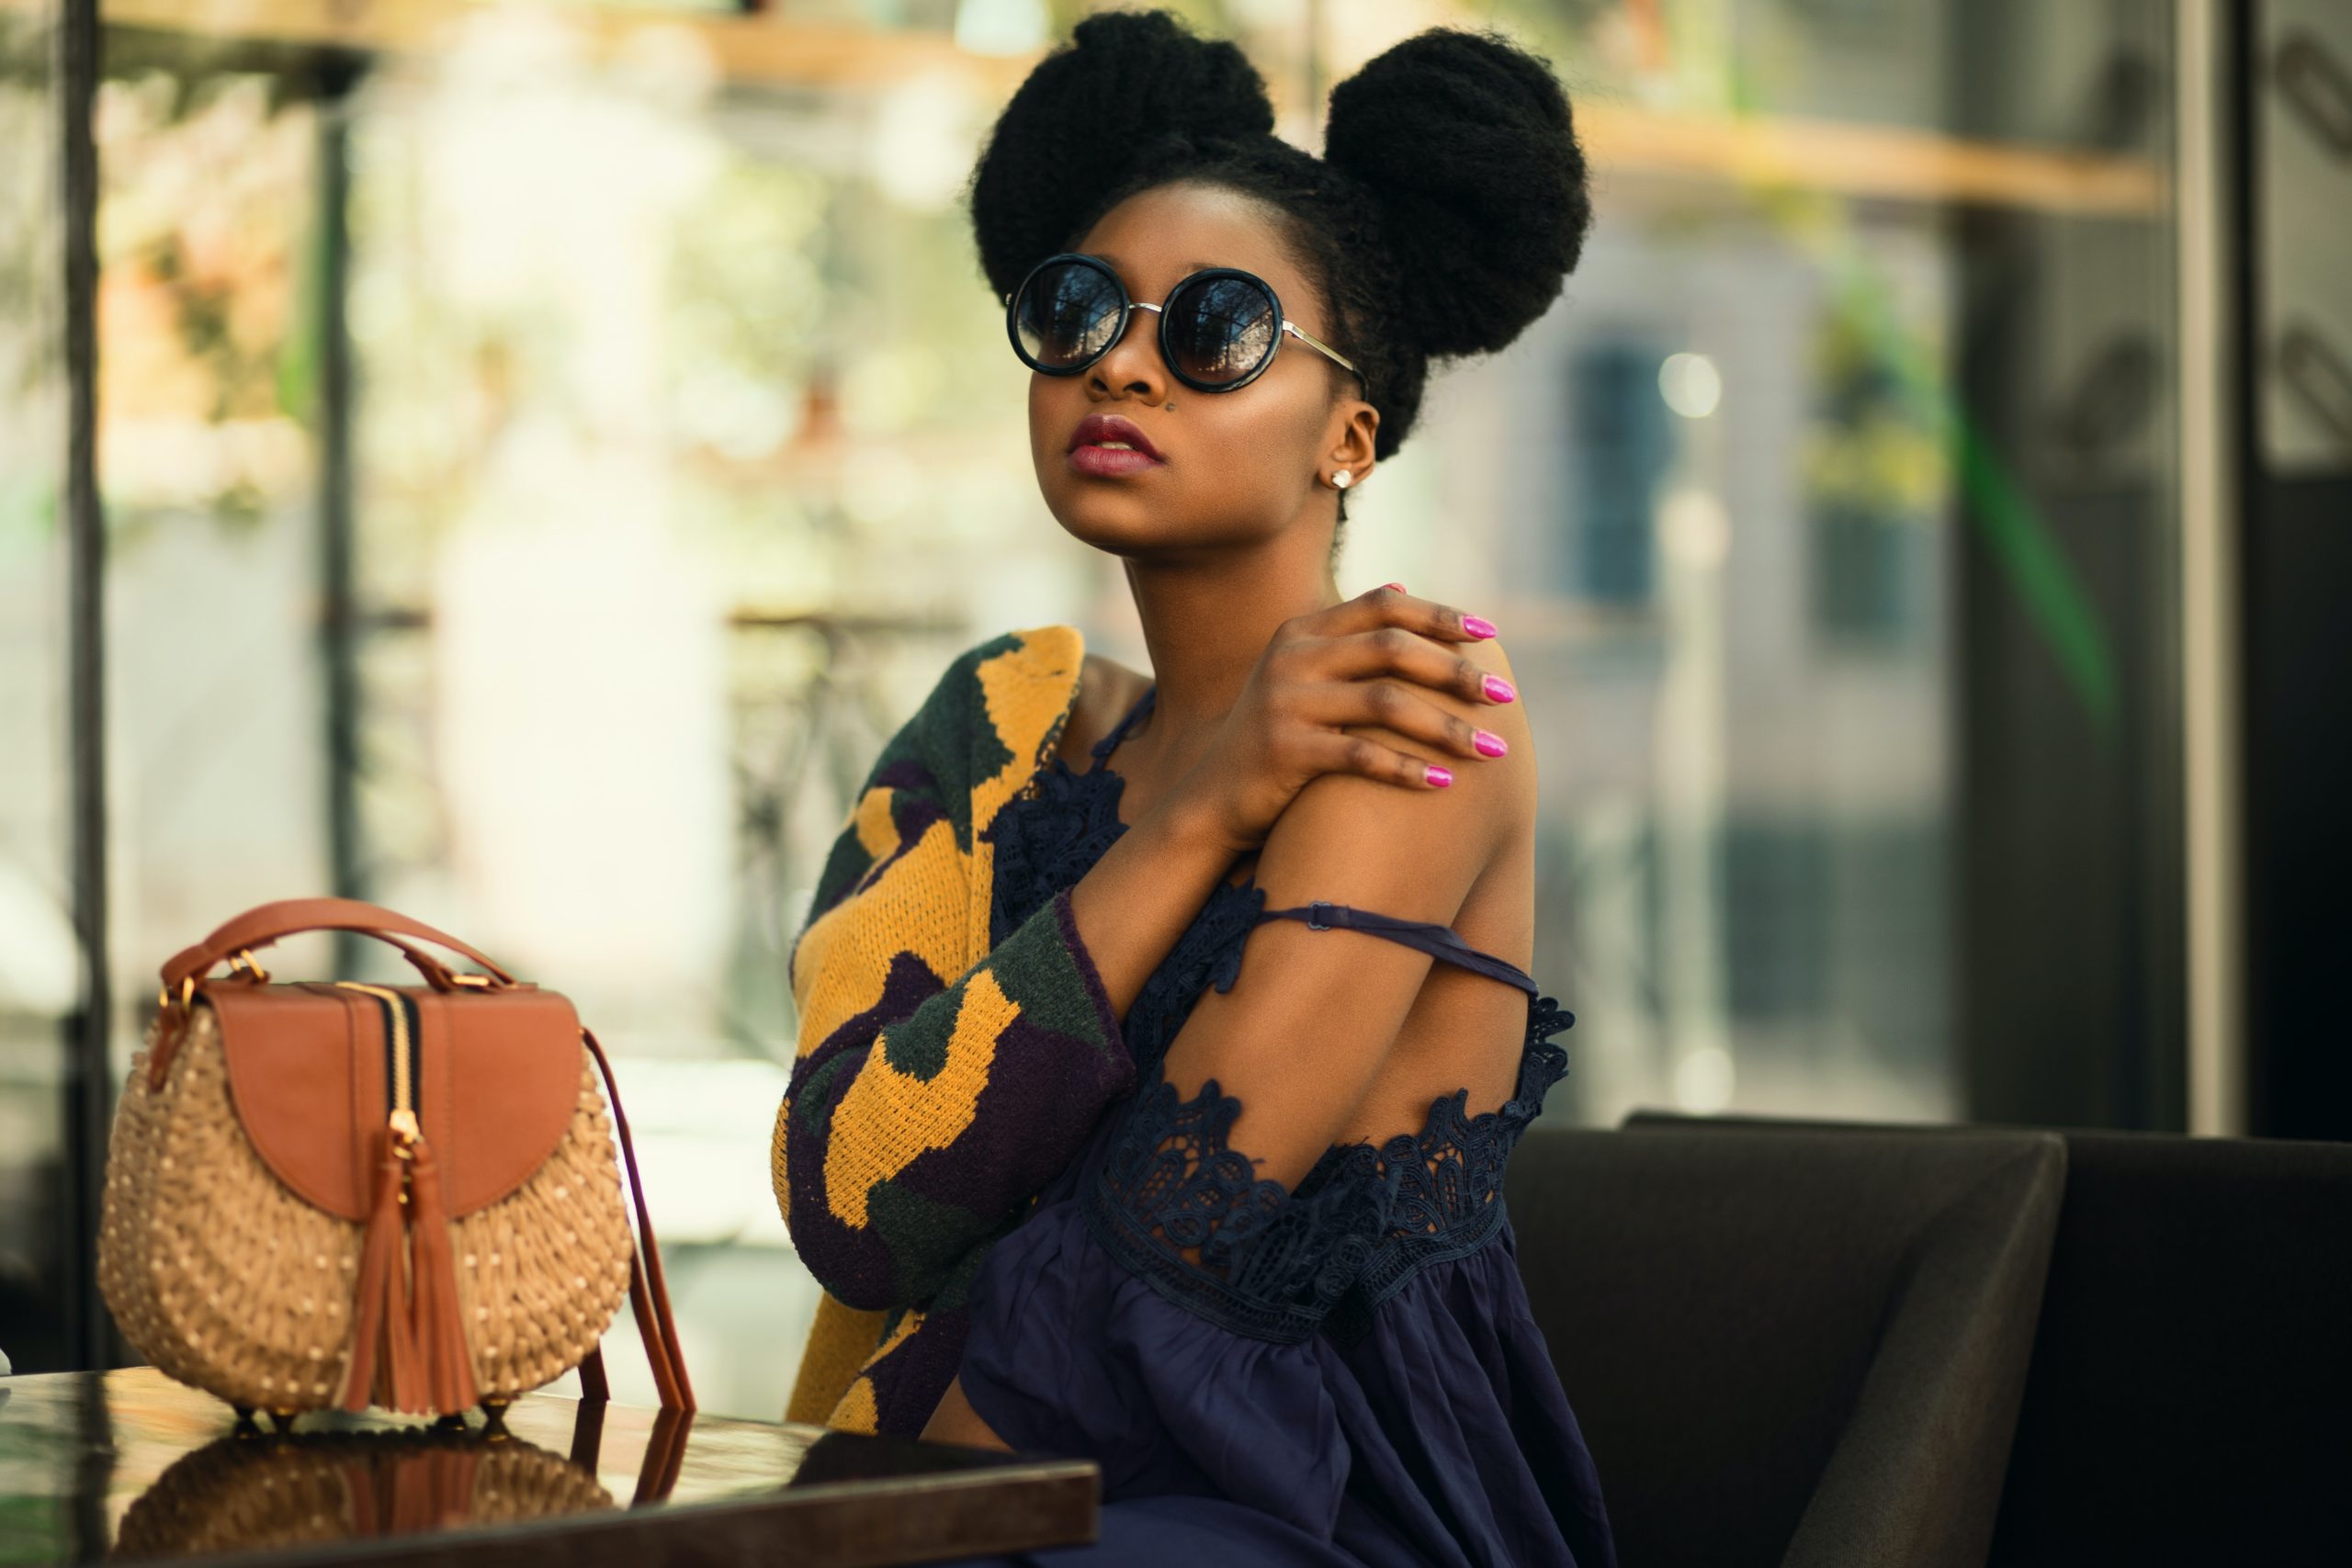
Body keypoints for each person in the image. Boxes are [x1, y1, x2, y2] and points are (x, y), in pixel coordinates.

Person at [771, 10, 1611, 1562]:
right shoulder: (995, 728)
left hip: (1311, 1500)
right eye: (1079, 312)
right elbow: (853, 1205)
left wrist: (857, 1534)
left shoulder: (1426, 708)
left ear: (1348, 433)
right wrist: (1206, 807)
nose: (1125, 367)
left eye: (1212, 328)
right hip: (1004, 1476)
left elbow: (1155, 1249)